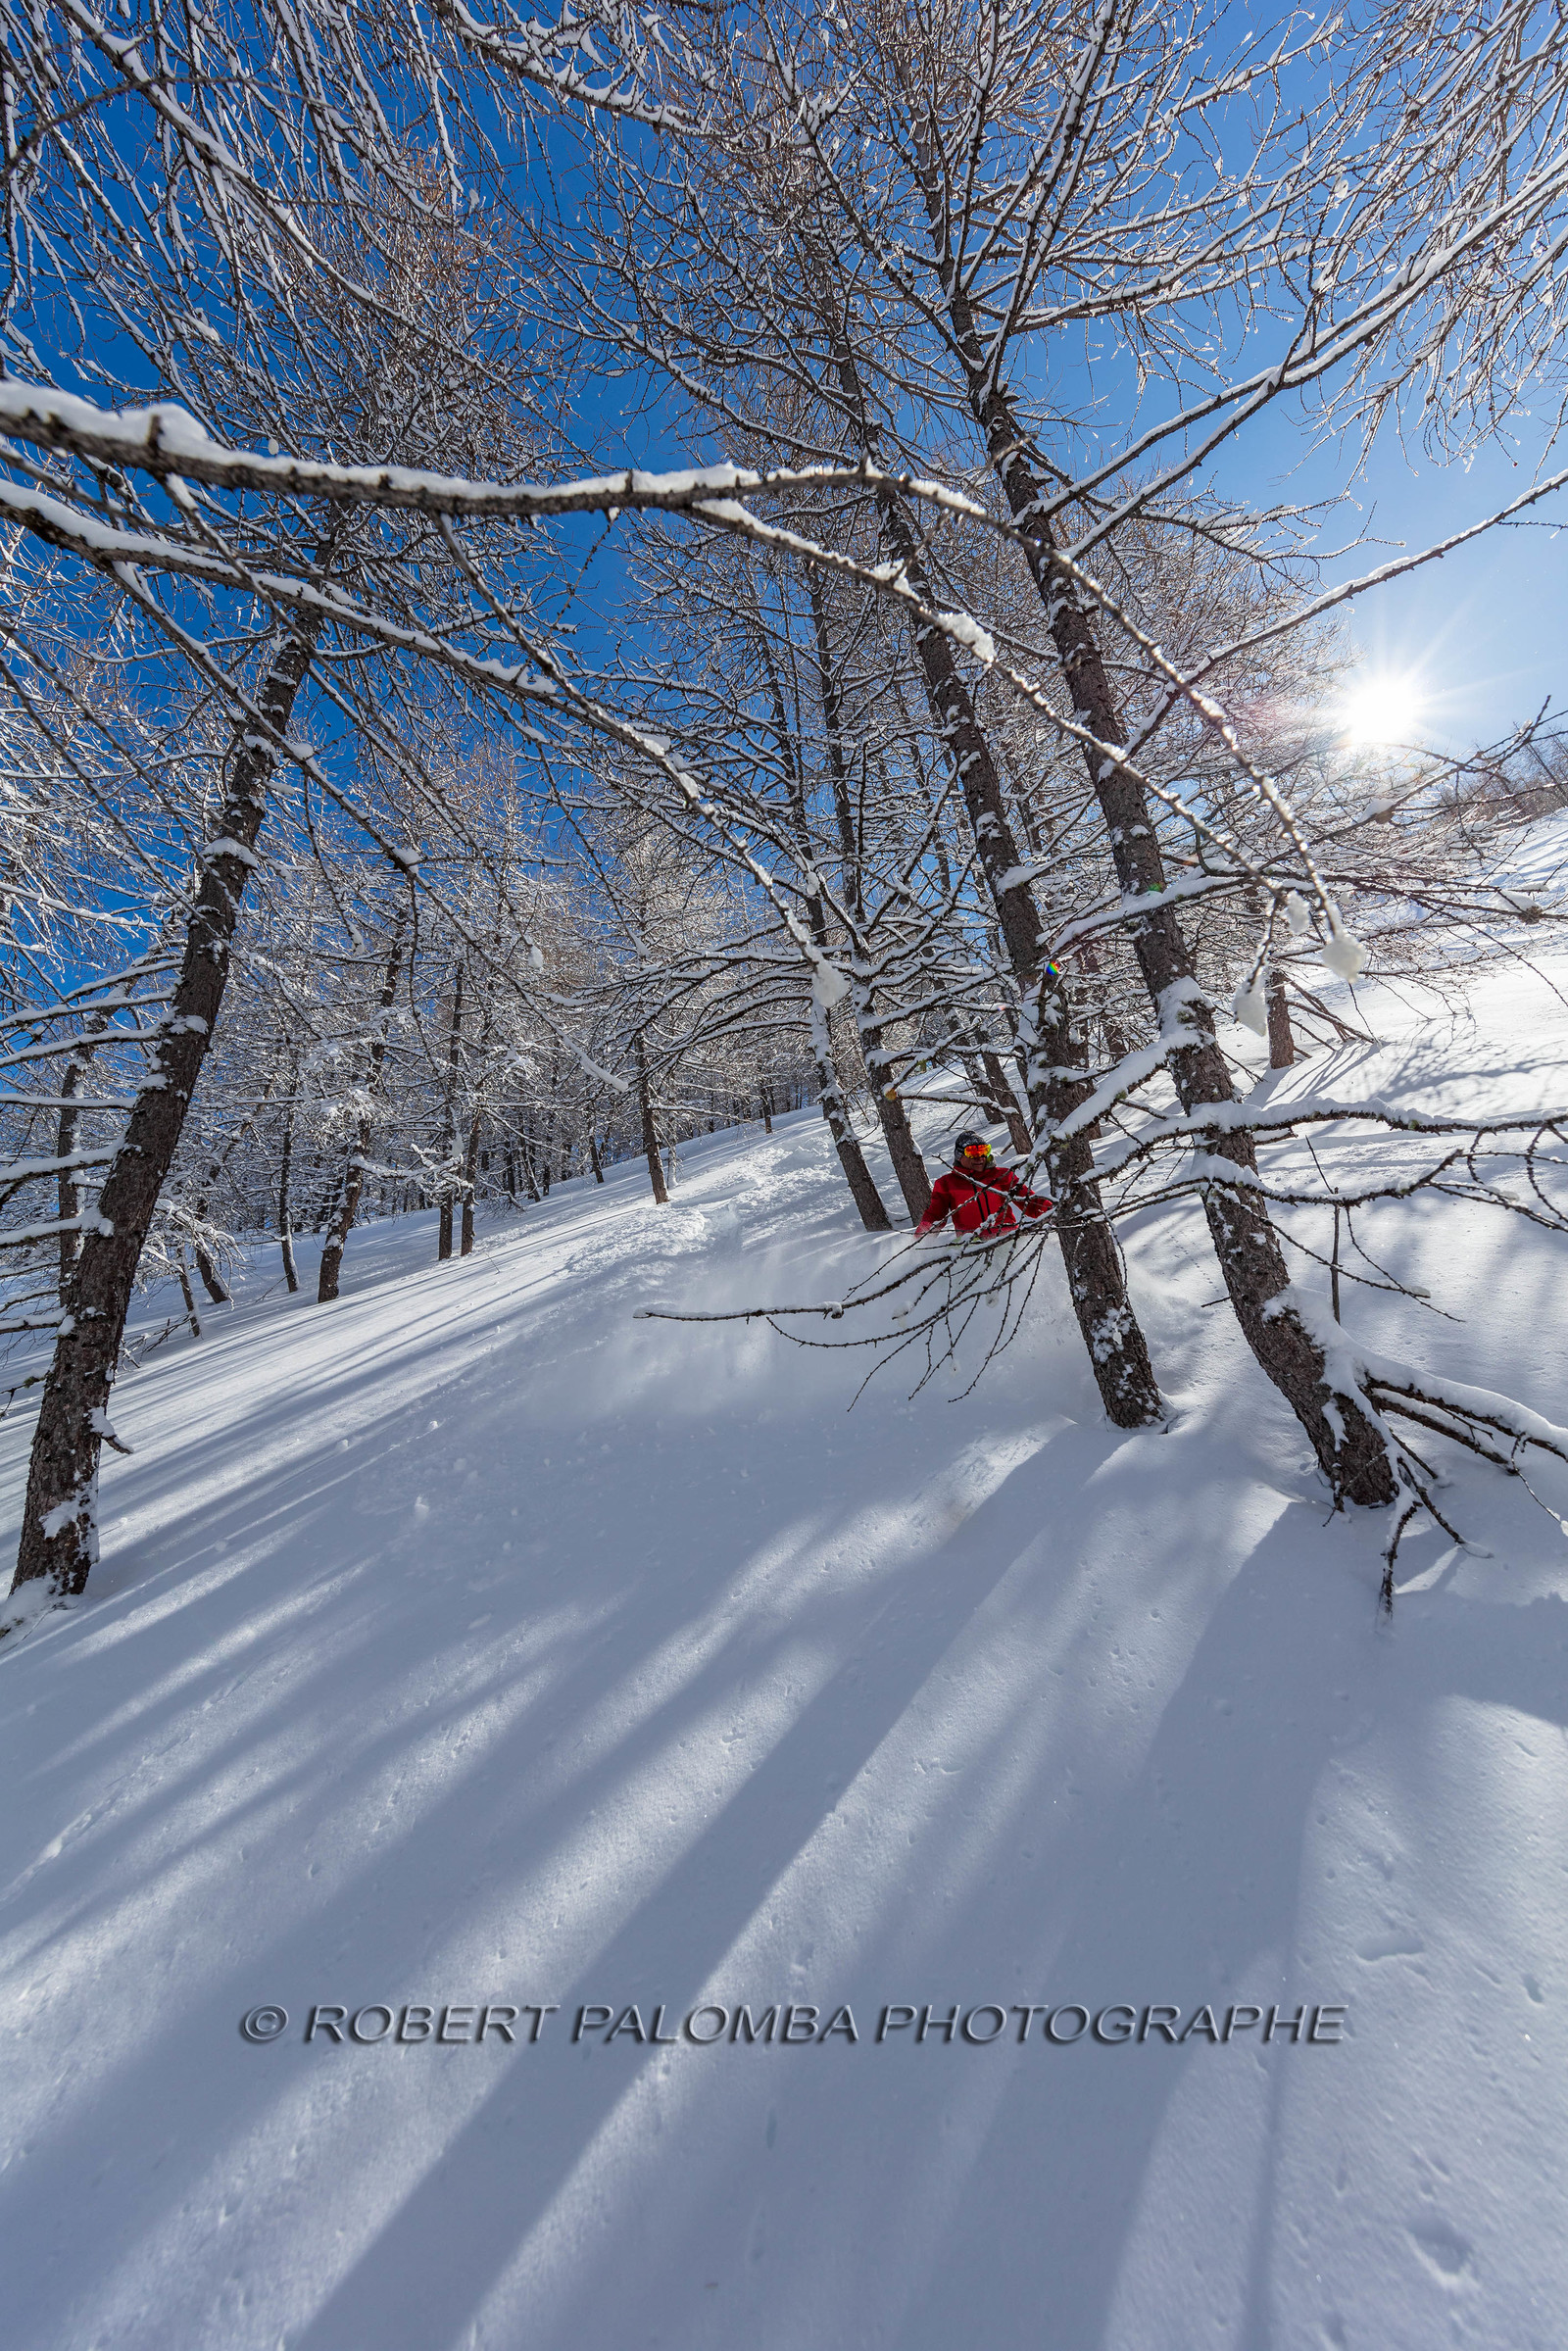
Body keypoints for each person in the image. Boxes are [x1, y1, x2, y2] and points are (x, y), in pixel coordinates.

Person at [915, 1132, 1054, 1240]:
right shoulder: (947, 1183)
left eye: (983, 1151)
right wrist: (920, 1241)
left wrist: (1052, 1210)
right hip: (971, 1243)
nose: (979, 1157)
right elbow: (935, 1216)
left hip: (1006, 1236)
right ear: (959, 1156)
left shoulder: (1002, 1175)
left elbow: (1029, 1202)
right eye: (972, 1152)